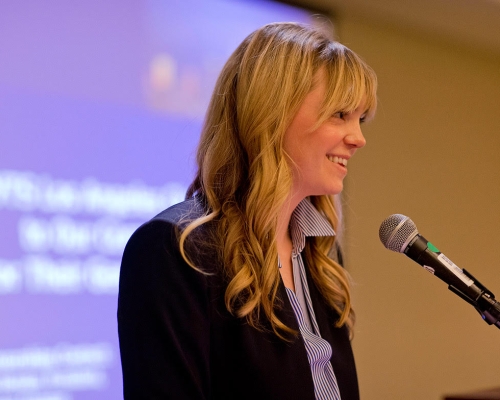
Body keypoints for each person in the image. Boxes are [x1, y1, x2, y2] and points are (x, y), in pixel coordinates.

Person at [118, 22, 377, 400]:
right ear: (272, 113)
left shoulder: (320, 254)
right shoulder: (174, 250)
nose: (358, 138)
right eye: (340, 114)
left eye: (361, 119)